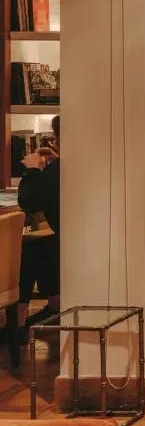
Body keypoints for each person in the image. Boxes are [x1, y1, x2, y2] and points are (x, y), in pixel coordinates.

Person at [17, 115, 60, 330]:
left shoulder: (56, 171)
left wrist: (32, 169)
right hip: (68, 240)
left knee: (30, 245)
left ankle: (19, 319)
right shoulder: (62, 168)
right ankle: (55, 303)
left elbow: (28, 200)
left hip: (63, 244)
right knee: (39, 240)